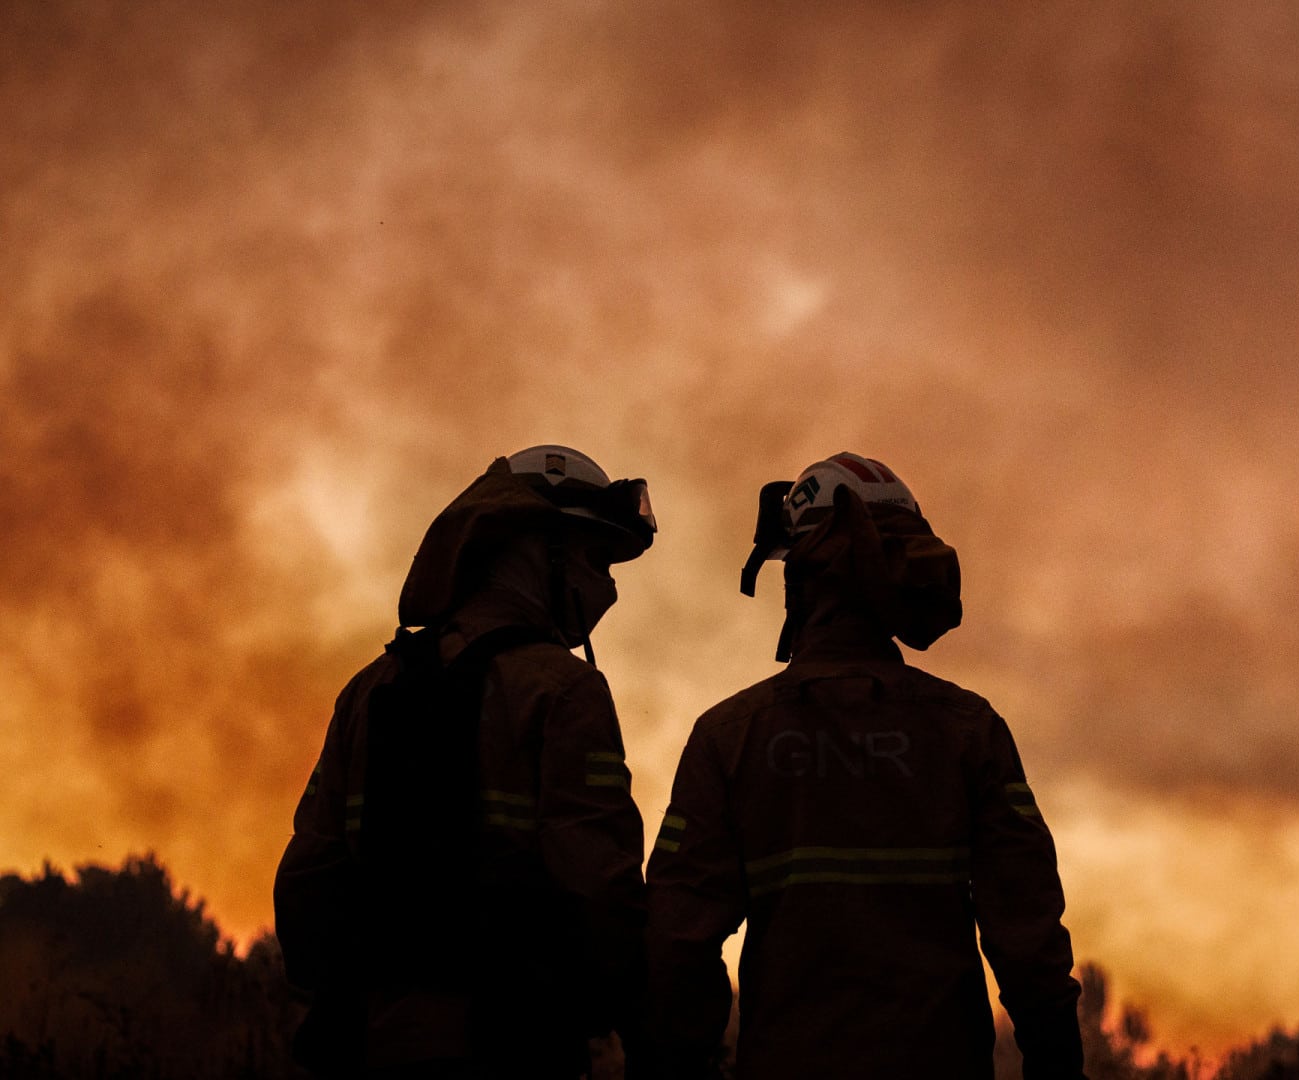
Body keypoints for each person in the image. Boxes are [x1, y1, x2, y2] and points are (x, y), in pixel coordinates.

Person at [644, 452, 1084, 1080]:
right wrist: (1060, 1067)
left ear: (802, 573)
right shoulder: (967, 728)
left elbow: (676, 944)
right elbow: (1029, 936)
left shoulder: (730, 737)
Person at [274, 445, 657, 1078]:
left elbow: (307, 881)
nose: (607, 586)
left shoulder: (370, 690)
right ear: (536, 548)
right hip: (514, 1044)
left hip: (370, 1044)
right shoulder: (563, 691)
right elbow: (600, 892)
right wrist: (642, 1025)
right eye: (595, 557)